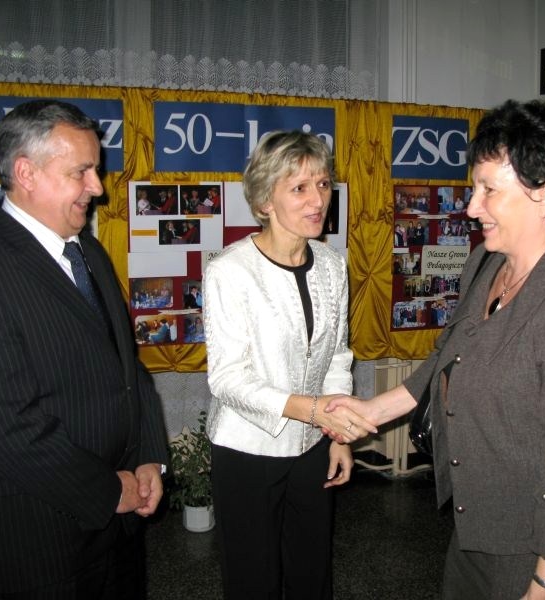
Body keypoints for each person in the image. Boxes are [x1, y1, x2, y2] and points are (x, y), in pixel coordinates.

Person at [328, 100, 545, 600]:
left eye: (490, 190)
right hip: (480, 524)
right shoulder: (487, 266)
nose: (471, 208)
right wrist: (372, 411)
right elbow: (450, 354)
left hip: (543, 547)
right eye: (475, 189)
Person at [0, 99, 169, 599]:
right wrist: (110, 491)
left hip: (120, 530)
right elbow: (8, 432)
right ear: (26, 173)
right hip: (42, 542)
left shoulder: (87, 251)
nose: (98, 187)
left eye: (95, 170)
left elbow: (126, 368)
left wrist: (150, 457)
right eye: (80, 172)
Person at [202, 130, 375, 600]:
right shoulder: (230, 271)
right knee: (253, 580)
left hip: (313, 444)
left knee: (311, 572)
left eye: (322, 184)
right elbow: (227, 378)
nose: (317, 200)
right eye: (299, 188)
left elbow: (337, 354)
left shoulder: (332, 264)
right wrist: (312, 410)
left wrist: (337, 434)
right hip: (247, 449)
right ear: (265, 201)